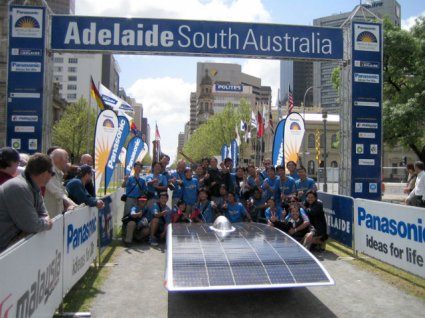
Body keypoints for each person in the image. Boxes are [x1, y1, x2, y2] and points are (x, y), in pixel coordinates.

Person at [0, 153, 54, 252]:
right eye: (52, 173)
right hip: (4, 252)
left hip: (11, 249)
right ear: (44, 173)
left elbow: (43, 213)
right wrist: (47, 224)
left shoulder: (34, 186)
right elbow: (31, 225)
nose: (51, 176)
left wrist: (43, 222)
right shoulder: (19, 187)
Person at [44, 148, 77, 217]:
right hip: (49, 215)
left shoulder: (58, 172)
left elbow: (62, 192)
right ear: (61, 159)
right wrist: (71, 204)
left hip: (54, 214)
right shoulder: (49, 171)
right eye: (67, 159)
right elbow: (57, 192)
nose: (68, 162)